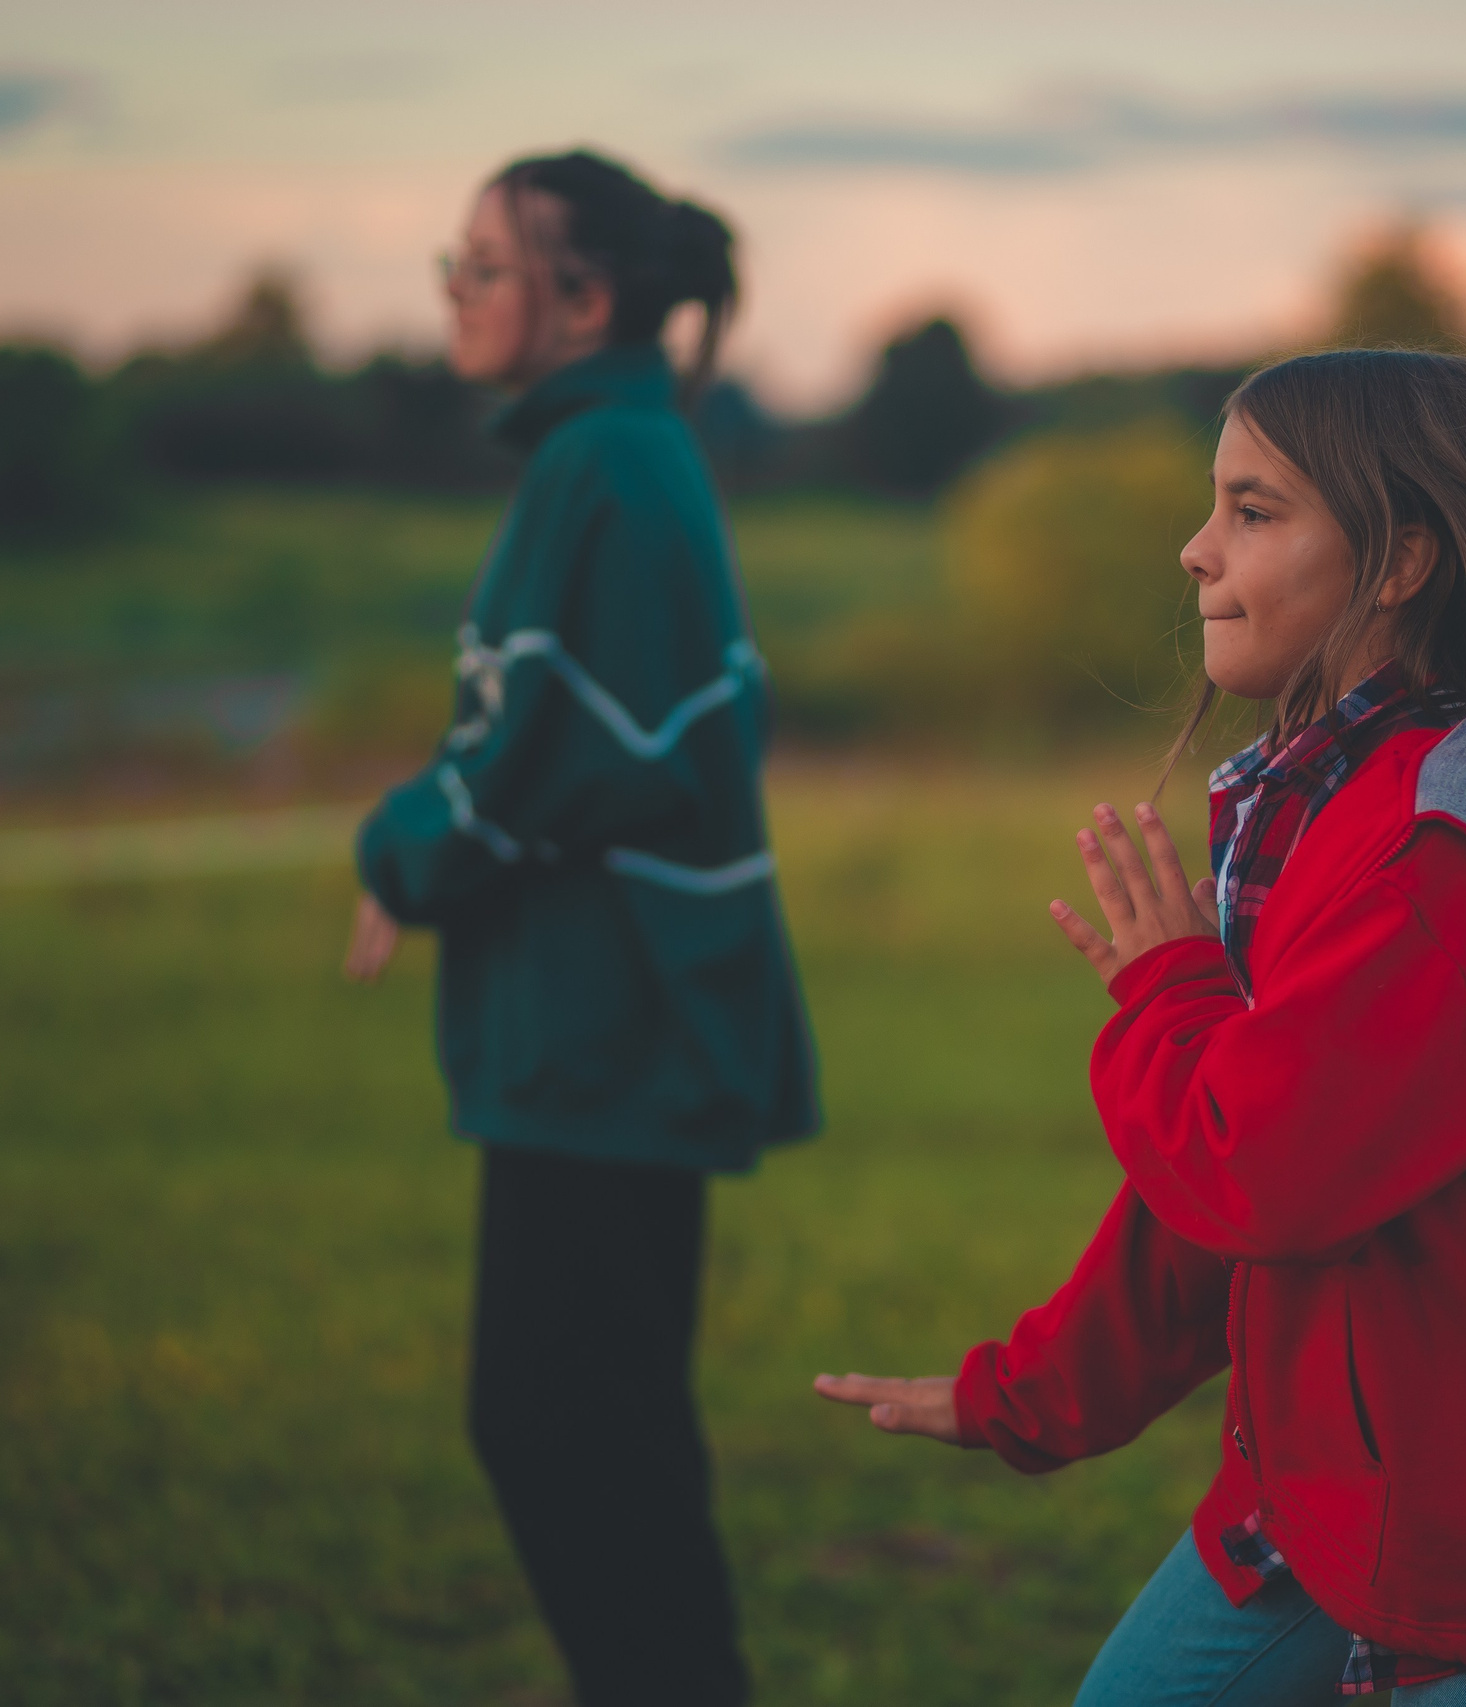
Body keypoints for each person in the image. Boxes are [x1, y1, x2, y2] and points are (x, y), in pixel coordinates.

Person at [816, 349, 1466, 1706]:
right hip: (1340, 1494)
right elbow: (1222, 1186)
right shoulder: (1319, 807)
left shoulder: (1446, 865)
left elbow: (1258, 1166)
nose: (1196, 552)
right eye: (1216, 506)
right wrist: (1024, 1396)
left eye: (1255, 511)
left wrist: (1173, 995)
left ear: (1400, 558)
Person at [342, 148, 818, 1707]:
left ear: (585, 297)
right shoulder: (617, 450)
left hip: (614, 1021)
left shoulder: (604, 462)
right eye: (458, 264)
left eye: (487, 266)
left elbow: (537, 752)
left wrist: (395, 850)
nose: (459, 294)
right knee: (593, 1424)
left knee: (564, 1425)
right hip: (607, 1016)